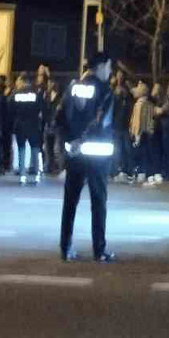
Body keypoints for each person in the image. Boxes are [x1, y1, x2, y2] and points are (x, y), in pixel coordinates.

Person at [57, 53, 116, 262]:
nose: (110, 71)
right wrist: (83, 138)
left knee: (70, 202)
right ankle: (99, 250)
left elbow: (59, 118)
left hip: (75, 154)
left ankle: (66, 248)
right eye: (109, 66)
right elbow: (102, 122)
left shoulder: (73, 88)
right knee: (98, 202)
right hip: (97, 155)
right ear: (101, 66)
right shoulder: (105, 91)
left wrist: (70, 142)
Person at [8, 73, 47, 185]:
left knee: (21, 149)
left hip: (20, 124)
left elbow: (10, 109)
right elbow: (43, 109)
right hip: (33, 124)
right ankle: (36, 174)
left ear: (22, 81)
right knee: (35, 149)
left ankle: (22, 174)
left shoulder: (15, 94)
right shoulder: (36, 94)